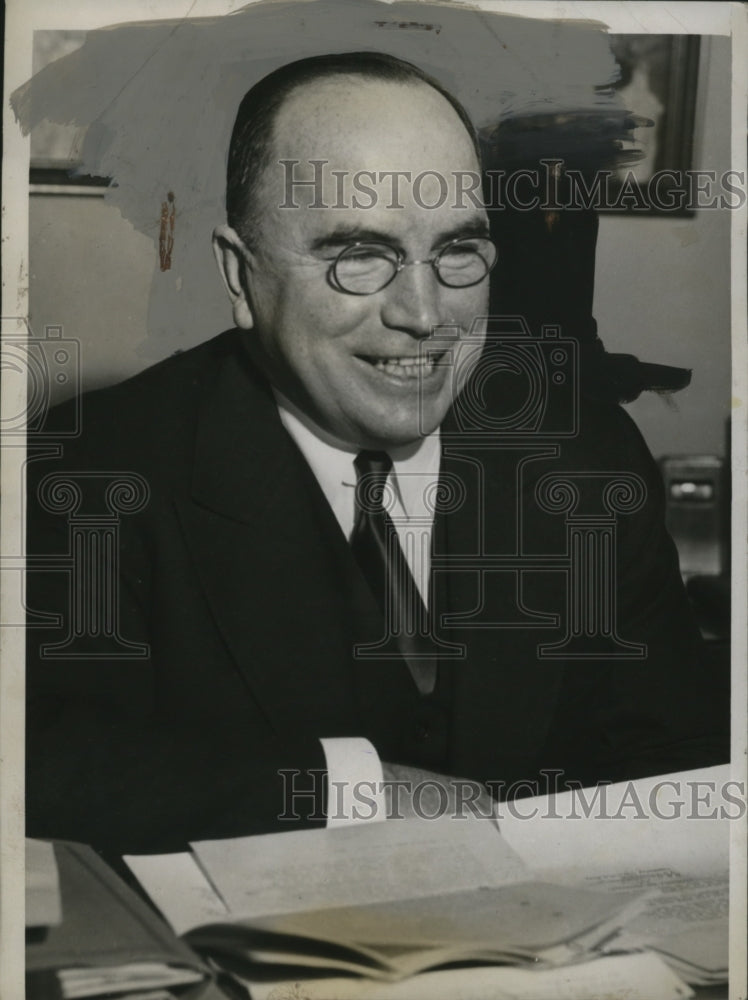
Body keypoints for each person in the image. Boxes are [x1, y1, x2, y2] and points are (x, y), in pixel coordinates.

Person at [25, 52, 727, 856]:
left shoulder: (584, 455)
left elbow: (675, 755)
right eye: (359, 254)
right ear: (239, 274)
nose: (425, 315)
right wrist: (359, 788)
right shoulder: (98, 466)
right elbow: (41, 752)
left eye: (457, 251)